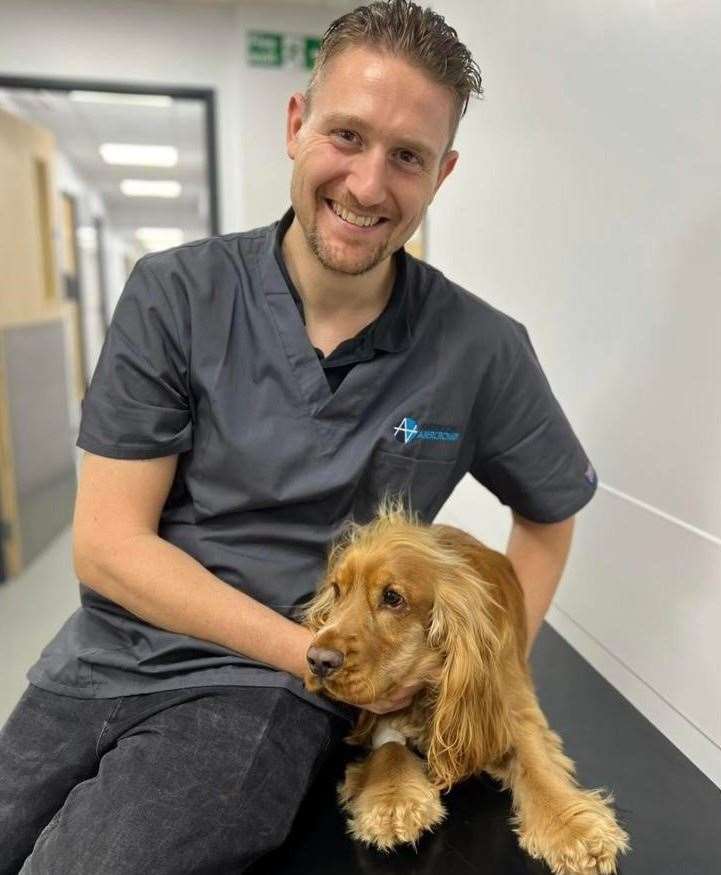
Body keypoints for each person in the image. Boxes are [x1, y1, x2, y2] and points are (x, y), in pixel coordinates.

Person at [0, 1, 597, 872]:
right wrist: (324, 655)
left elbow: (548, 517)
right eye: (346, 136)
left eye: (406, 157)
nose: (365, 185)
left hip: (259, 696)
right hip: (104, 659)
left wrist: (480, 675)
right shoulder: (174, 294)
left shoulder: (481, 348)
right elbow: (107, 546)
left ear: (443, 174)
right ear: (295, 124)